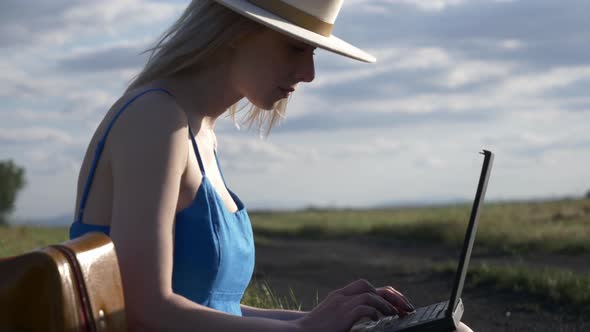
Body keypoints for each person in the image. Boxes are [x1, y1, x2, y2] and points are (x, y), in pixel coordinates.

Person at [69, 0, 473, 331]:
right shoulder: (156, 119)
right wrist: (303, 331)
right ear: (237, 31)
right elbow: (145, 310)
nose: (309, 74)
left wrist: (336, 320)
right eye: (296, 47)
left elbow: (212, 310)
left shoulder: (198, 130)